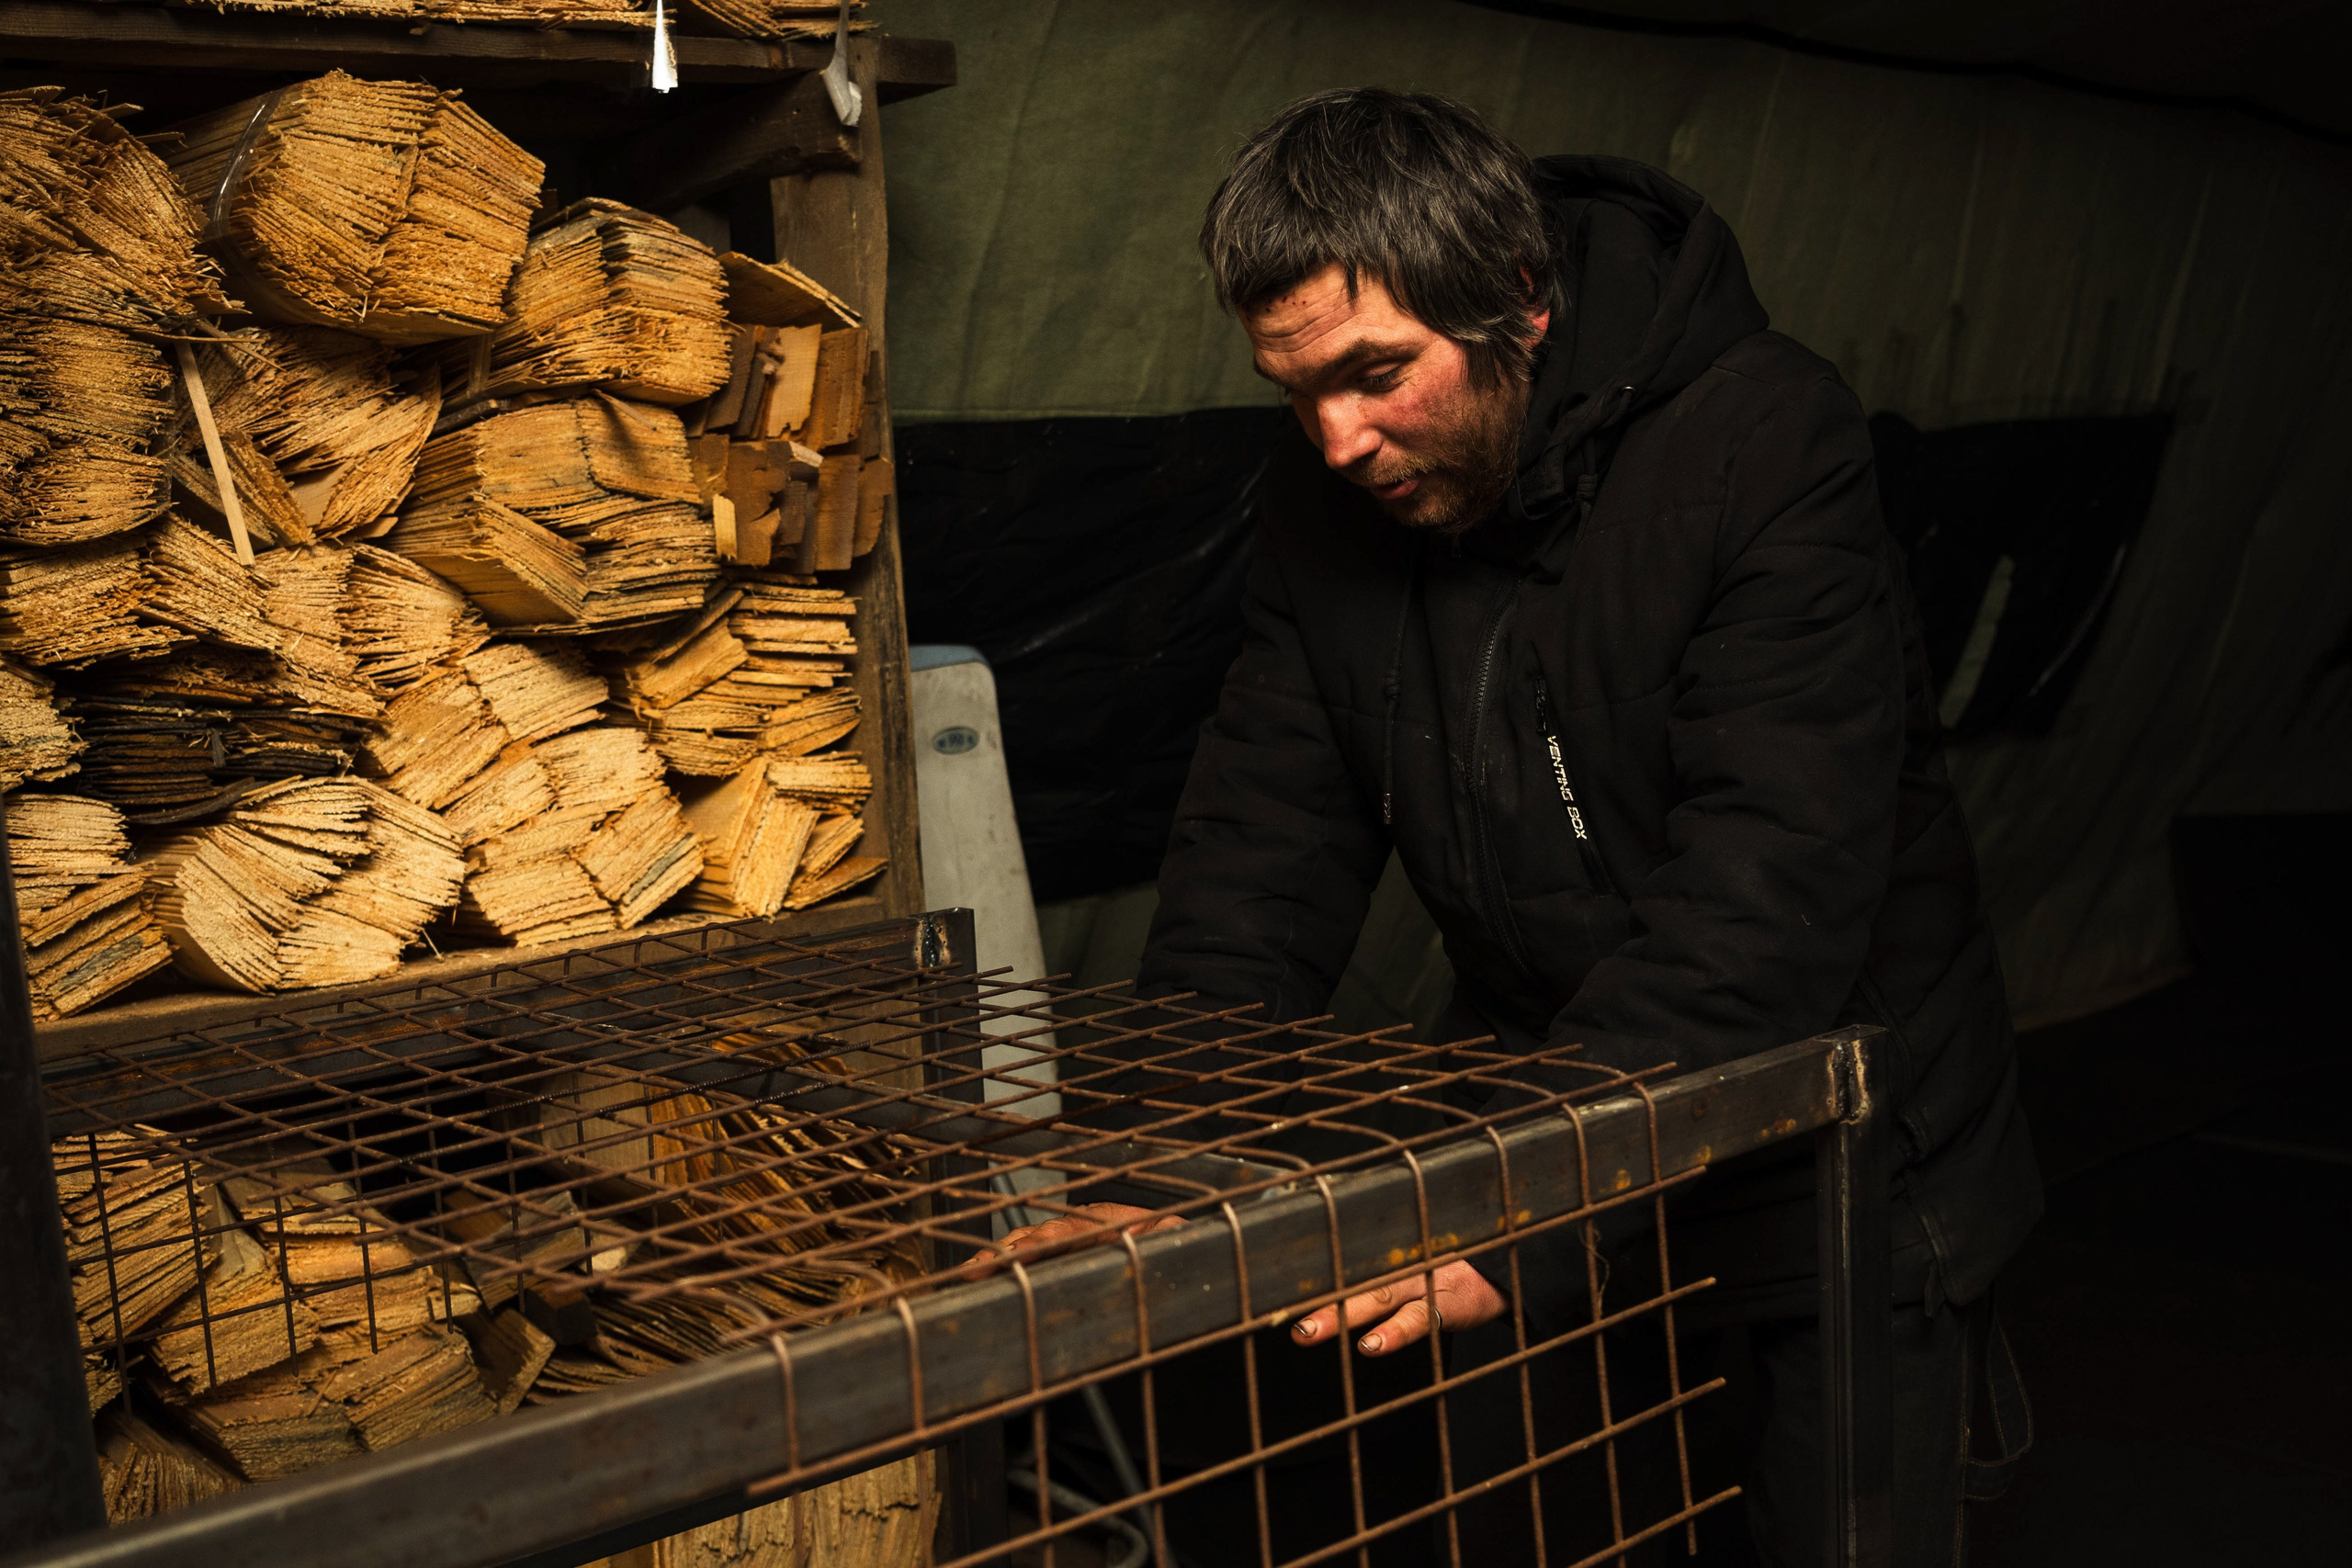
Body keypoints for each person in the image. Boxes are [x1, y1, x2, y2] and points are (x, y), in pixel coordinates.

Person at [986, 88, 2041, 1565]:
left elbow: (1769, 888)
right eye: (1296, 389)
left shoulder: (1765, 438)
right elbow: (1259, 855)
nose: (1337, 436)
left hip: (1841, 1180)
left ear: (1520, 308)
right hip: (1570, 1141)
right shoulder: (1323, 501)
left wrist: (1528, 1198)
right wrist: (1169, 1168)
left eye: (1375, 373)